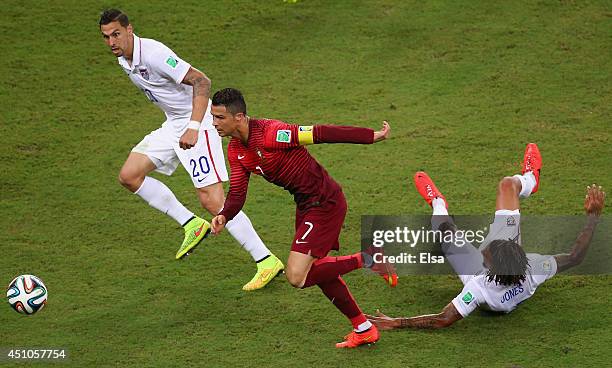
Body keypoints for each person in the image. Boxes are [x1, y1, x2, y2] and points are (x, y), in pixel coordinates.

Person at [98, 9, 283, 290]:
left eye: (116, 34)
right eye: (106, 37)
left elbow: (202, 81)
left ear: (129, 30)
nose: (112, 42)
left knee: (212, 200)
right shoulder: (125, 59)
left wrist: (195, 125)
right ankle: (191, 224)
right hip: (173, 124)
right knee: (129, 175)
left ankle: (266, 260)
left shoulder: (154, 54)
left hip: (197, 123)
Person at [209, 88, 397, 348]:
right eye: (213, 117)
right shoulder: (236, 151)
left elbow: (320, 133)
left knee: (297, 276)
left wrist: (369, 137)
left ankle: (369, 258)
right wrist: (224, 215)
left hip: (325, 202)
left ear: (239, 117)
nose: (214, 123)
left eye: (219, 118)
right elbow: (238, 192)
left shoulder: (273, 133)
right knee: (319, 272)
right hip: (306, 204)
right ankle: (363, 328)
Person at [367, 143, 605, 329]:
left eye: (486, 252)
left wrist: (397, 322)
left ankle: (437, 201)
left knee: (443, 228)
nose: (484, 247)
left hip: (476, 268)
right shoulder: (532, 268)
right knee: (506, 186)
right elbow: (575, 257)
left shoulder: (479, 287)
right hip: (508, 258)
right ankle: (531, 179)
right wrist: (593, 216)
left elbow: (442, 319)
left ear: (489, 264)